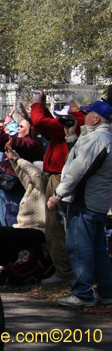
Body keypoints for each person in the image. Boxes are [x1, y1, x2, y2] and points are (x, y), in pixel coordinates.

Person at [48, 101, 112, 307]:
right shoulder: (104, 137)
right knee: (98, 248)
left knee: (78, 247)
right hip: (98, 201)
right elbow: (84, 161)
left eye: (88, 113)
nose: (83, 117)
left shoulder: (97, 138)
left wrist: (57, 194)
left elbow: (79, 170)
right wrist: (71, 137)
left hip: (85, 201)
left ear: (96, 118)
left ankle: (83, 293)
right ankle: (105, 291)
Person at [30, 92, 85, 285]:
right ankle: (73, 270)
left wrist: (36, 105)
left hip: (61, 176)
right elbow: (49, 126)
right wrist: (43, 108)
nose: (69, 106)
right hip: (64, 175)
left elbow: (41, 123)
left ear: (80, 106)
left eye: (71, 103)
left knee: (55, 226)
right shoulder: (77, 122)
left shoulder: (75, 121)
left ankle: (64, 271)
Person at [0, 145, 48, 277]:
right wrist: (12, 156)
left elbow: (35, 173)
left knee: (14, 234)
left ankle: (12, 266)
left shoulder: (43, 185)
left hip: (39, 228)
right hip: (24, 227)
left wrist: (18, 159)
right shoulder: (30, 187)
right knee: (1, 231)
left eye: (30, 175)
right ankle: (2, 267)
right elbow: (20, 171)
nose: (27, 177)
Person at [0, 117, 44, 227]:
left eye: (21, 126)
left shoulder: (33, 143)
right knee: (4, 222)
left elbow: (15, 142)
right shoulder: (21, 141)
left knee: (12, 222)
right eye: (18, 125)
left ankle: (11, 243)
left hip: (15, 189)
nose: (18, 128)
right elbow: (1, 144)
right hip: (5, 187)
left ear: (31, 130)